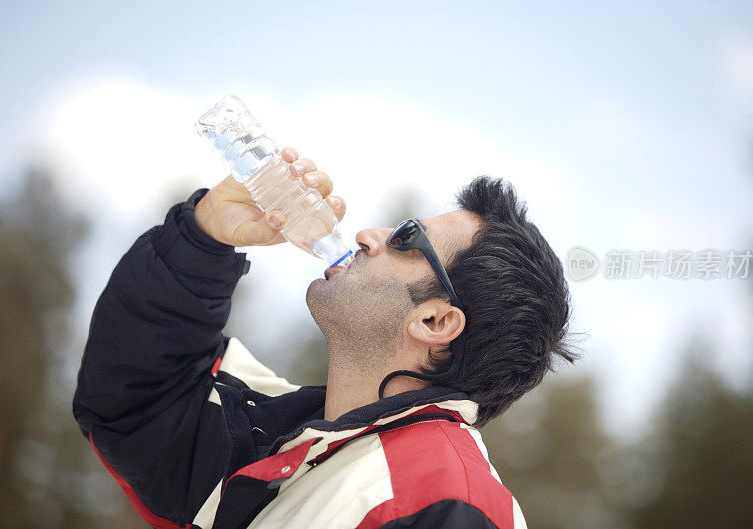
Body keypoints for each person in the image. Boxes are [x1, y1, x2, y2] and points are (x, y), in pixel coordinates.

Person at [73, 147, 576, 529]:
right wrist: (203, 239)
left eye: (406, 237)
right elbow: (137, 400)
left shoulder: (449, 500)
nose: (367, 234)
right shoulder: (277, 441)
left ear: (436, 322)